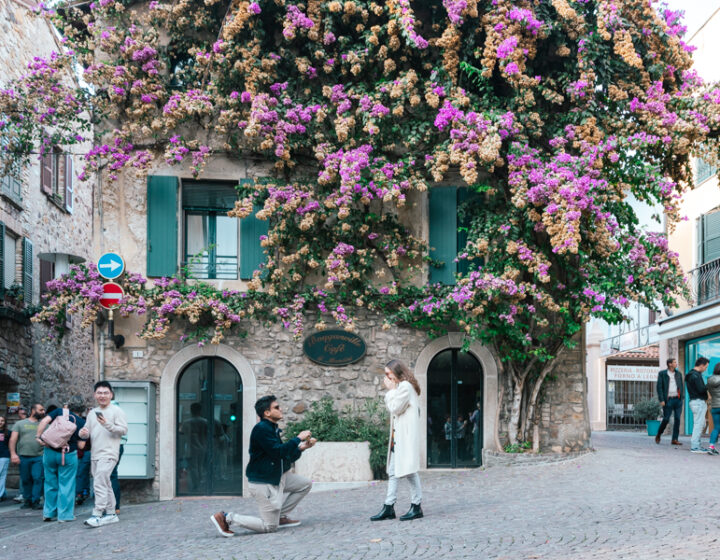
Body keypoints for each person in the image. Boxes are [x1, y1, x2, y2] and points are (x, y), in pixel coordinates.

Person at [210, 395, 316, 537]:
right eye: (276, 407)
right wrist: (298, 438)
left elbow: (283, 456)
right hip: (264, 482)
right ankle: (226, 517)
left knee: (305, 484)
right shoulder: (261, 429)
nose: (281, 409)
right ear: (267, 413)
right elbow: (278, 452)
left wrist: (301, 448)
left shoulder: (272, 429)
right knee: (269, 527)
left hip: (278, 476)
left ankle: (280, 516)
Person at [370, 359, 423, 522]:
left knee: (409, 471)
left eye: (388, 373)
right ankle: (389, 506)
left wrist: (391, 390)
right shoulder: (403, 387)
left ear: (396, 372)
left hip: (404, 438)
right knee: (393, 472)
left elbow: (395, 408)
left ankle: (416, 505)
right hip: (398, 438)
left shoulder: (405, 387)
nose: (386, 377)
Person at [78, 381, 128, 527]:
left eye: (106, 393)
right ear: (95, 395)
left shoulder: (117, 411)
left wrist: (107, 424)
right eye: (99, 393)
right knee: (105, 483)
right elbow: (86, 432)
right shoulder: (92, 413)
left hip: (110, 453)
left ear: (111, 395)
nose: (102, 396)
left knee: (99, 482)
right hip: (95, 454)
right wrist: (83, 433)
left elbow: (123, 430)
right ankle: (111, 513)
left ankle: (97, 514)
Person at [35, 396, 86, 522]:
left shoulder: (58, 412)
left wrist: (38, 437)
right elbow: (81, 445)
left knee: (49, 482)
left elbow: (43, 422)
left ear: (67, 406)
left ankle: (48, 513)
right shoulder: (81, 422)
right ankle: (64, 515)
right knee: (67, 484)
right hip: (68, 454)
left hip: (50, 451)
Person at [9, 403, 46, 509]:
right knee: (25, 479)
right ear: (33, 410)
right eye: (41, 410)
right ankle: (27, 500)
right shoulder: (20, 424)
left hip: (39, 456)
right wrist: (13, 454)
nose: (43, 412)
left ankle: (36, 500)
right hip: (23, 456)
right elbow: (13, 439)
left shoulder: (44, 424)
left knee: (37, 478)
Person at [655, 358, 684, 445]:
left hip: (678, 399)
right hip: (668, 400)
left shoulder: (678, 374)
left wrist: (681, 397)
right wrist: (661, 400)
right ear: (670, 364)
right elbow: (659, 387)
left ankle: (674, 439)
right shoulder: (662, 374)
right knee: (666, 419)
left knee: (678, 419)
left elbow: (681, 386)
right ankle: (659, 434)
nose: (676, 364)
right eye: (674, 362)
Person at [686, 357, 710, 453]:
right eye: (706, 367)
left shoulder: (691, 374)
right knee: (699, 425)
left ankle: (697, 445)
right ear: (701, 365)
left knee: (701, 424)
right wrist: (709, 385)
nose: (706, 369)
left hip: (695, 402)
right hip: (698, 402)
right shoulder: (695, 375)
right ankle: (695, 447)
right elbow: (701, 389)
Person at [706, 363, 720, 455]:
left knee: (716, 427)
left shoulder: (710, 379)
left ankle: (711, 447)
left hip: (715, 406)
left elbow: (708, 392)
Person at [0, 416, 9, 501]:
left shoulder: (8, 433)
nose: (1, 422)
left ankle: (1, 494)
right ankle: (3, 493)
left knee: (2, 475)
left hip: (3, 456)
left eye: (2, 420)